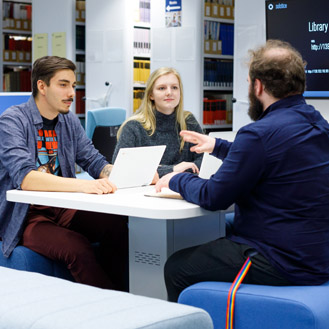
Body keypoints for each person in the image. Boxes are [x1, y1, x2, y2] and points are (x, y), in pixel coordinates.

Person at [155, 40, 329, 302]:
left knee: (177, 267)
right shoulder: (317, 123)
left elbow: (214, 196)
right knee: (218, 228)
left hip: (281, 259)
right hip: (317, 253)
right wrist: (218, 146)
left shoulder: (258, 133)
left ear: (258, 86)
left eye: (248, 83)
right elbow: (272, 156)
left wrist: (178, 179)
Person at [0, 56, 128, 291]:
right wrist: (84, 186)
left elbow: (93, 160)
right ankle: (110, 307)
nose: (71, 92)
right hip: (27, 216)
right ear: (42, 86)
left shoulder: (68, 120)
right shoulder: (12, 121)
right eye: (63, 84)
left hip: (62, 208)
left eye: (73, 85)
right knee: (76, 247)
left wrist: (119, 174)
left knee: (117, 224)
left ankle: (129, 295)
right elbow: (26, 179)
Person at [113, 67, 203, 178]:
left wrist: (184, 170)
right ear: (151, 95)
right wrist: (173, 170)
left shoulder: (189, 121)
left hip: (183, 185)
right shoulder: (133, 127)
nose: (169, 93)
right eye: (162, 88)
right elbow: (120, 168)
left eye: (174, 87)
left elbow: (206, 158)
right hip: (145, 191)